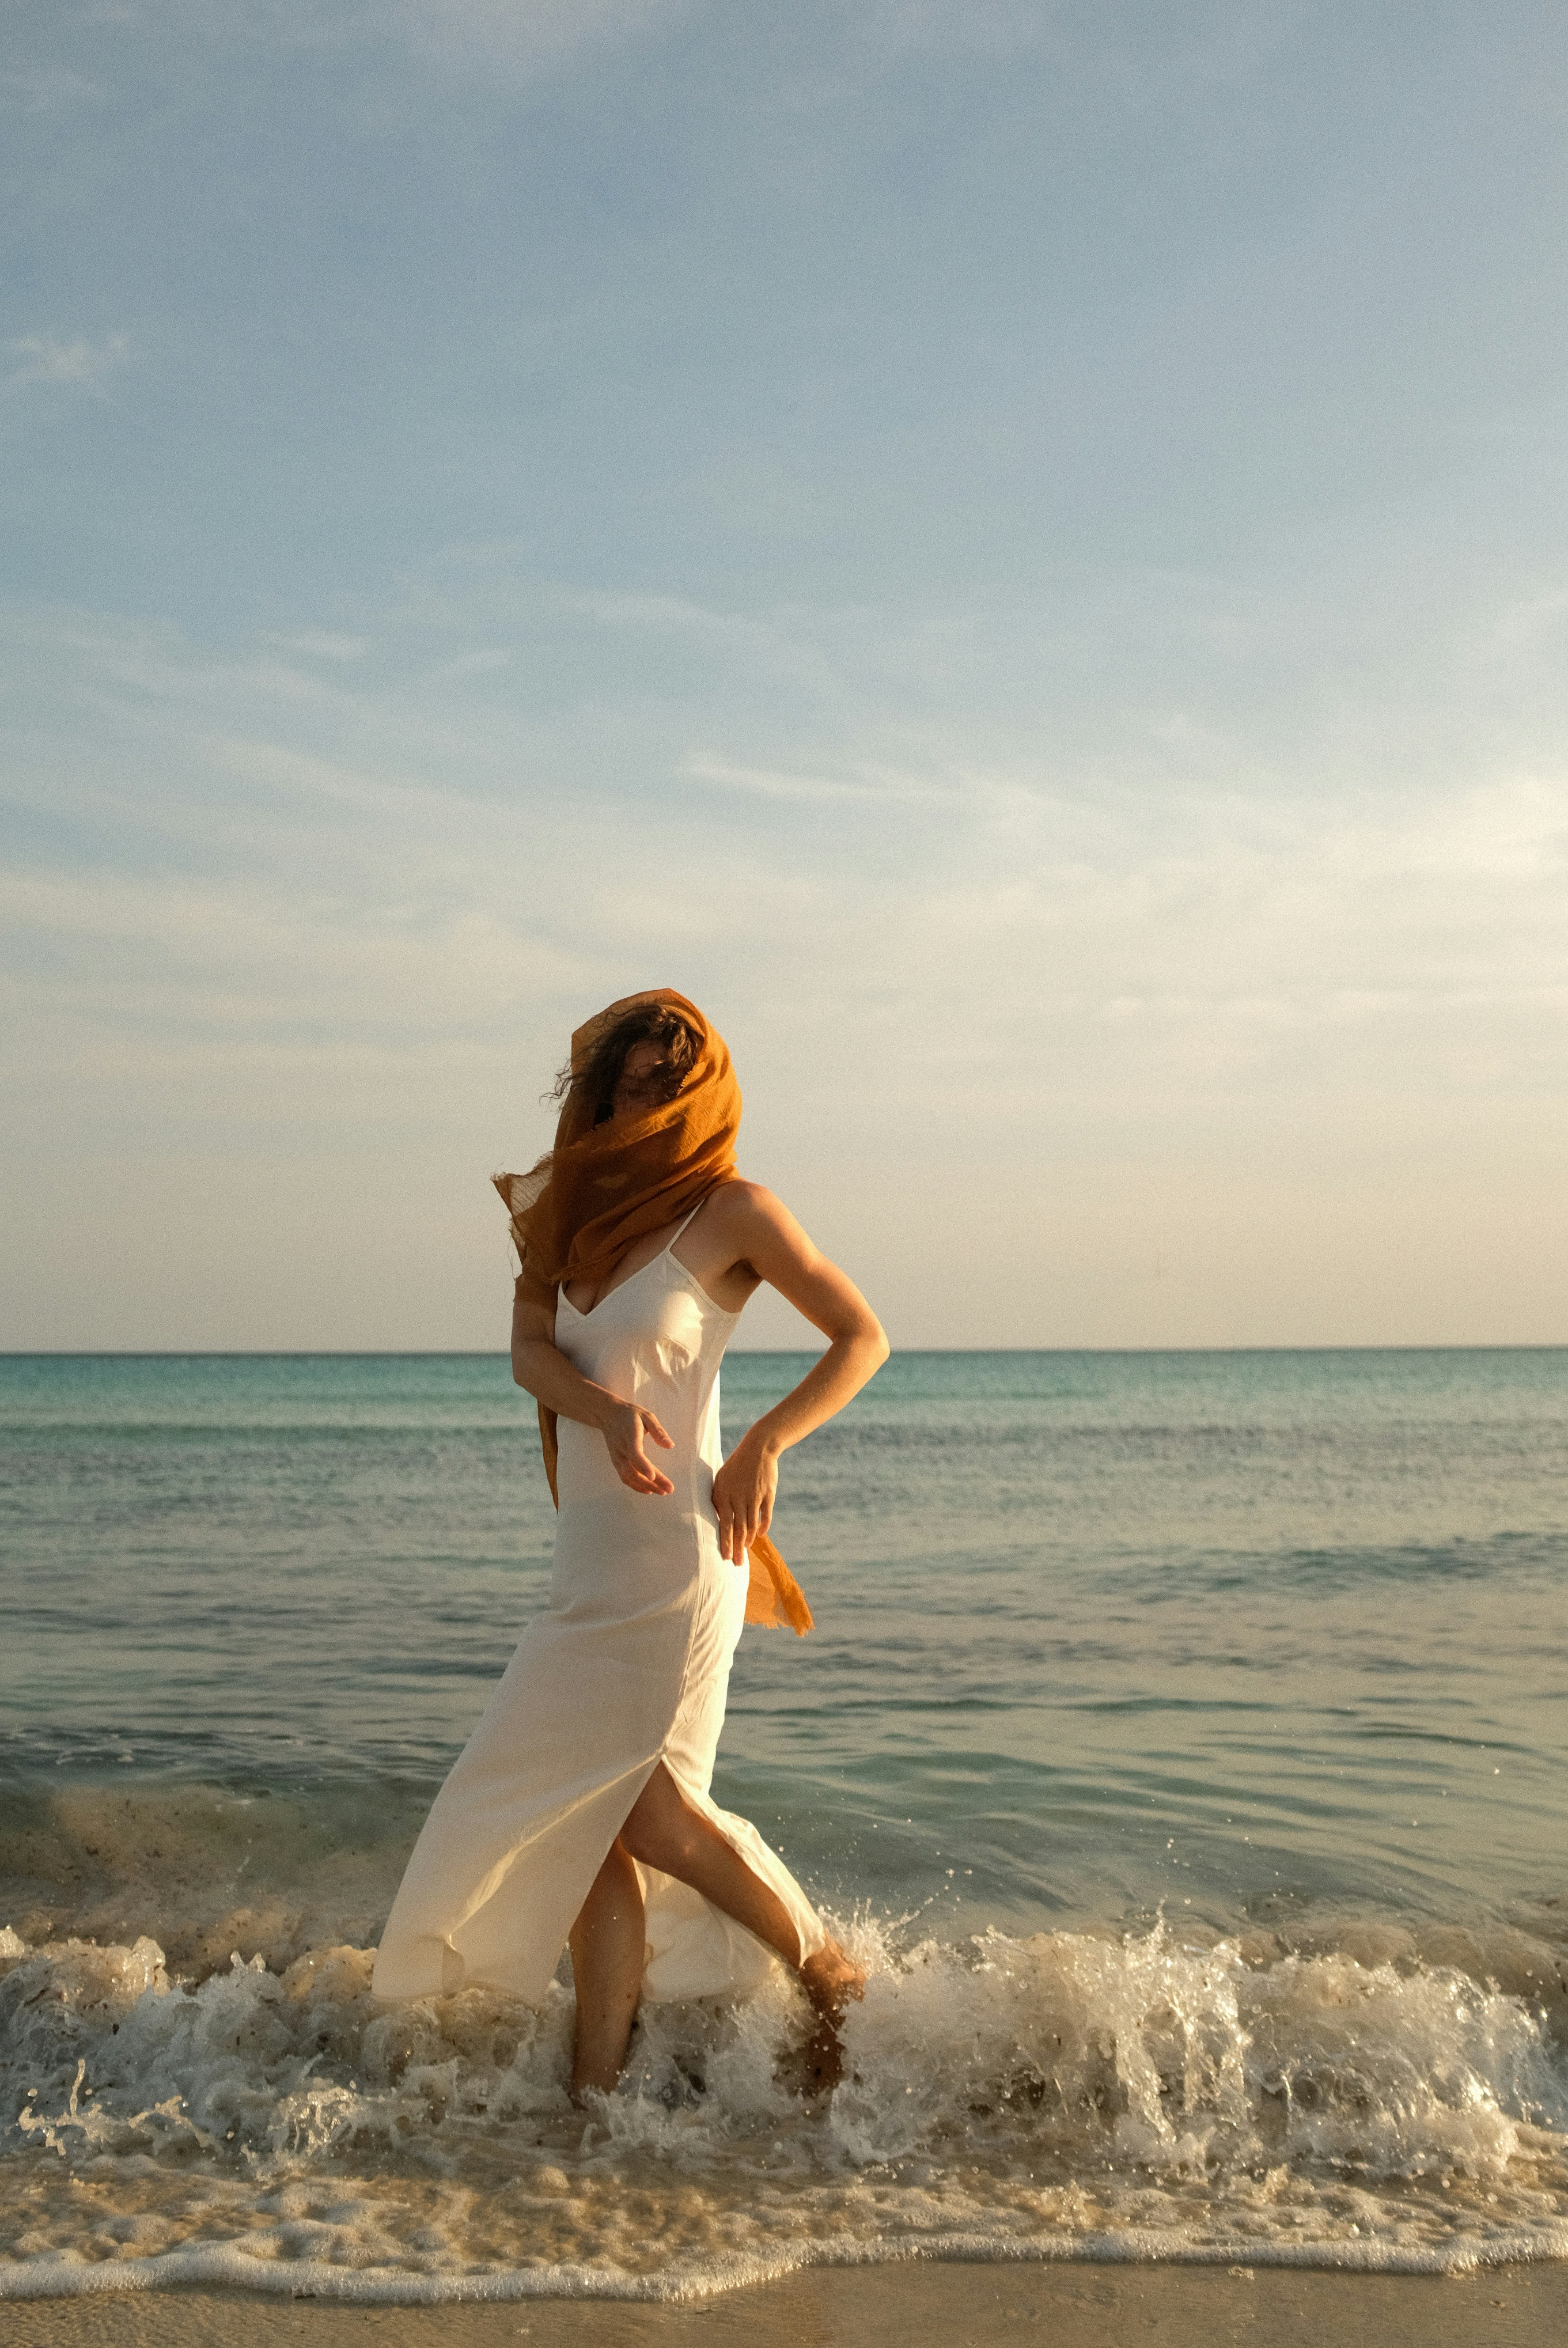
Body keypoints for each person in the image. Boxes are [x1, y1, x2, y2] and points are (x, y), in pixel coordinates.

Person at [373, 989, 889, 2099]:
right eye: (634, 1078)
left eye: (673, 1080)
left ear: (702, 1092)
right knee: (586, 1824)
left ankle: (827, 1970)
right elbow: (528, 1354)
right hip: (588, 1566)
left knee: (645, 1810)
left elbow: (863, 1336)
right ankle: (595, 2093)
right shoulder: (566, 1217)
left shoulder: (734, 1211)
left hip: (682, 1550)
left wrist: (765, 1441)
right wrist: (601, 1411)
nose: (652, 1095)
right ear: (601, 1088)